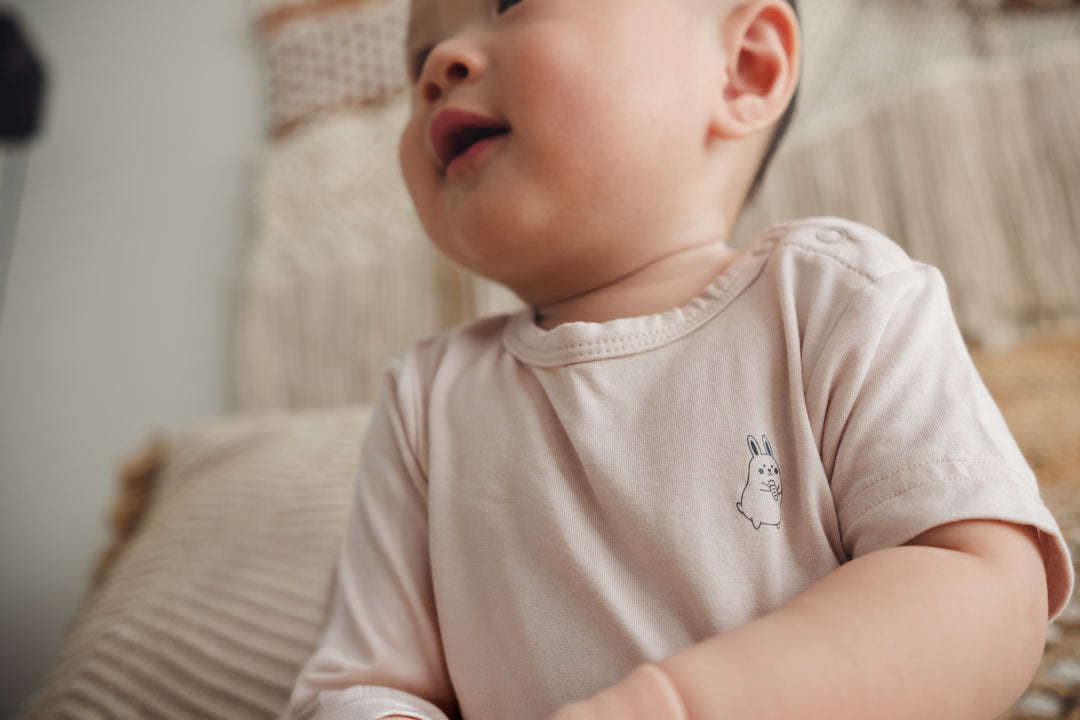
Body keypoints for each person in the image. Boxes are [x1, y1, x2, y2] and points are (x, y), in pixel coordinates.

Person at [284, 0, 1074, 718]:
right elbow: (367, 684)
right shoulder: (427, 402)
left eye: (511, 4)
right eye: (416, 54)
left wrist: (679, 703)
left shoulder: (837, 299)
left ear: (744, 69)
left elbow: (986, 590)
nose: (438, 64)